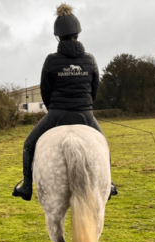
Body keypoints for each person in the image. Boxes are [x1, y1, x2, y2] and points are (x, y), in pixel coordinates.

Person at [12, 3, 117, 201]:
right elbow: (94, 89)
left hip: (57, 113)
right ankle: (109, 185)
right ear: (77, 34)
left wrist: (54, 109)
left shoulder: (51, 60)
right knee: (103, 145)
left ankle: (26, 186)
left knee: (29, 144)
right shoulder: (90, 59)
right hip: (85, 114)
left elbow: (45, 90)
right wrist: (84, 105)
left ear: (57, 36)